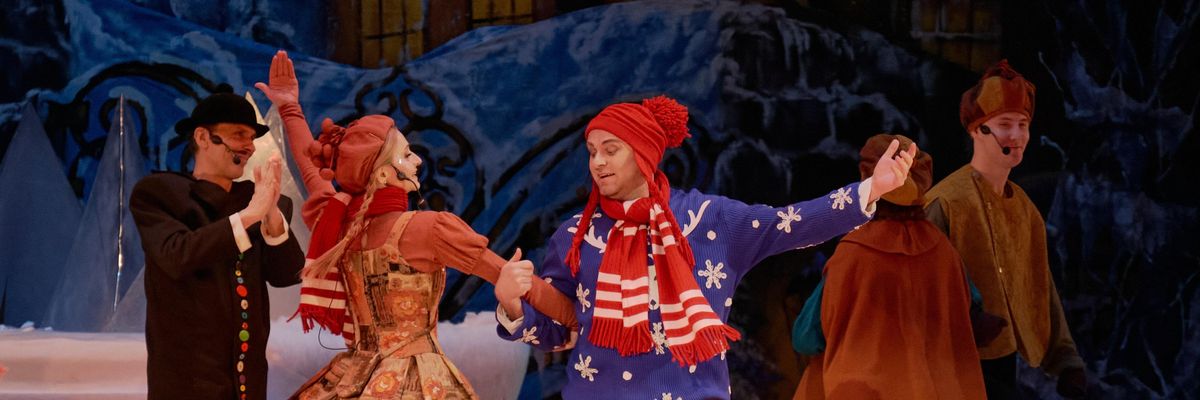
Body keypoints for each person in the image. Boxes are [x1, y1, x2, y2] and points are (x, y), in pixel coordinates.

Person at [492, 95, 916, 398]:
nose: (597, 162)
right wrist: (513, 304)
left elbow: (792, 224)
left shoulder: (709, 219)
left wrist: (869, 190)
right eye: (591, 152)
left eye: (611, 149)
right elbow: (554, 333)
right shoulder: (576, 236)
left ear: (643, 153)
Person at [254, 50, 577, 399]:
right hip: (420, 379)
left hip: (356, 375)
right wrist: (582, 320)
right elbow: (509, 276)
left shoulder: (337, 223)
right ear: (382, 173)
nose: (418, 160)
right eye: (406, 155)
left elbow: (312, 171)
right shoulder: (428, 229)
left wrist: (291, 110)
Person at [925, 59, 1087, 399]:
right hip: (948, 363)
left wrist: (1065, 358)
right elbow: (917, 285)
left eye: (1023, 124)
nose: (1016, 136)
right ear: (976, 130)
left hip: (1003, 357)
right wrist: (965, 322)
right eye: (1004, 124)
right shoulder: (944, 204)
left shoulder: (1023, 208)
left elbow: (1039, 282)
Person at [130, 90, 306, 400]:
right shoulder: (160, 193)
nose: (248, 146)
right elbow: (177, 255)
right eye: (239, 134)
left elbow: (287, 274)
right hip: (188, 383)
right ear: (202, 137)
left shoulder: (253, 200)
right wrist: (251, 214)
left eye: (251, 138)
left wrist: (272, 217)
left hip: (246, 382)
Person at [791, 134, 985, 400]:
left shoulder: (852, 255)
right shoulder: (944, 253)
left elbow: (806, 337)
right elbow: (973, 311)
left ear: (866, 176)